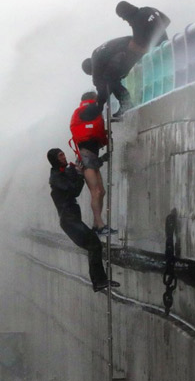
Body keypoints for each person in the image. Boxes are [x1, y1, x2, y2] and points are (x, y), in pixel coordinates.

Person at [47, 148, 120, 292]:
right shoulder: (55, 178)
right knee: (93, 244)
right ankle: (99, 281)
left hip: (73, 219)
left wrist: (101, 159)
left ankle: (99, 281)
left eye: (63, 153)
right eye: (60, 155)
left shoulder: (64, 171)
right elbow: (74, 190)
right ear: (55, 159)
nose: (63, 156)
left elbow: (81, 169)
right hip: (69, 221)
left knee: (93, 244)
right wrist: (79, 175)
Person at [69, 91, 116, 236]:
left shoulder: (86, 113)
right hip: (86, 157)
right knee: (95, 192)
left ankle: (97, 225)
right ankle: (100, 225)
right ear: (91, 100)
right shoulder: (87, 110)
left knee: (101, 191)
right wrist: (105, 90)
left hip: (92, 157)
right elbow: (97, 108)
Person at [81, 36, 138, 116]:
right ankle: (125, 103)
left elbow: (100, 86)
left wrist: (98, 106)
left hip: (127, 49)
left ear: (91, 69)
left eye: (91, 73)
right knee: (111, 80)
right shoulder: (99, 55)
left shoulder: (96, 64)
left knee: (110, 79)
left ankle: (126, 103)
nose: (92, 74)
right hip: (133, 41)